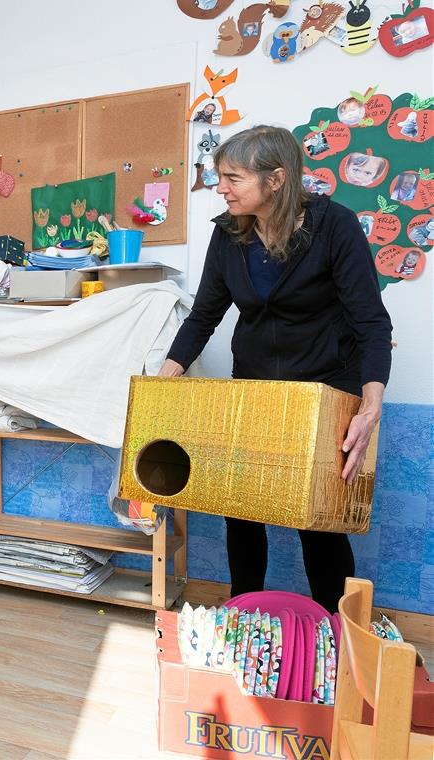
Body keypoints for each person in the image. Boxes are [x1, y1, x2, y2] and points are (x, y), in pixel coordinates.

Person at [159, 125, 392, 613]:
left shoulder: (335, 226)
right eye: (219, 176)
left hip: (327, 385)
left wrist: (371, 406)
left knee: (319, 521)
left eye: (232, 178)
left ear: (277, 179)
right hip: (257, 385)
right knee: (242, 509)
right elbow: (204, 315)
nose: (220, 187)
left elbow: (370, 320)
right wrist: (166, 380)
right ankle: (242, 614)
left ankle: (336, 630)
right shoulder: (228, 234)